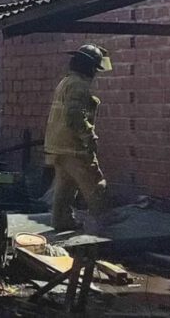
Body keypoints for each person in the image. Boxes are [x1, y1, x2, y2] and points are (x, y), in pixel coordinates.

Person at [44, 44, 112, 232]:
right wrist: (89, 137)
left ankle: (62, 222)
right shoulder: (78, 85)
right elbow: (74, 116)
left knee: (65, 188)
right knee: (96, 186)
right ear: (89, 67)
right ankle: (102, 230)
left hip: (59, 147)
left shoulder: (65, 82)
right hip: (74, 147)